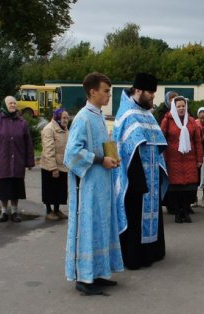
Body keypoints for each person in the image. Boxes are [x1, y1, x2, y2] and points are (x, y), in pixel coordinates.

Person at [64, 73, 124, 296]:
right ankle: (83, 278)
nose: (109, 95)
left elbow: (101, 146)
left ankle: (97, 273)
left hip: (102, 183)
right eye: (106, 91)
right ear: (92, 92)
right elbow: (71, 154)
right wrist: (100, 160)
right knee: (88, 228)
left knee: (101, 227)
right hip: (88, 186)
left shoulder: (98, 116)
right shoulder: (82, 118)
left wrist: (111, 156)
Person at [114, 73, 169, 270]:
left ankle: (153, 250)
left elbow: (157, 144)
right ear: (138, 91)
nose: (153, 97)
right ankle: (135, 256)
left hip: (151, 174)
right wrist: (138, 180)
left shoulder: (146, 113)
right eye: (151, 94)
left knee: (152, 212)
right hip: (135, 177)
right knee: (136, 213)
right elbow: (127, 148)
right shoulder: (127, 114)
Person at [0, 95, 34, 223]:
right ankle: (3, 212)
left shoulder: (22, 122)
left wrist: (29, 161)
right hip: (1, 161)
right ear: (4, 105)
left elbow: (28, 143)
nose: (13, 105)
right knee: (3, 188)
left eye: (14, 103)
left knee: (15, 188)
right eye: (10, 103)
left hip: (17, 161)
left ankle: (14, 211)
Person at [160, 96, 204, 223]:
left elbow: (197, 141)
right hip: (173, 159)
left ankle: (186, 211)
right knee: (176, 189)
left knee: (188, 189)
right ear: (174, 107)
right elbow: (161, 139)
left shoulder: (191, 121)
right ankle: (178, 213)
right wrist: (163, 158)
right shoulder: (167, 120)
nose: (181, 108)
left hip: (190, 159)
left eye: (183, 106)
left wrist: (199, 158)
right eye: (178, 106)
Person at [40, 107, 70, 221]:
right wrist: (53, 168)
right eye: (63, 117)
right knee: (49, 189)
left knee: (59, 189)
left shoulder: (65, 129)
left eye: (67, 117)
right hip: (50, 166)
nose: (65, 120)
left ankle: (57, 210)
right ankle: (48, 211)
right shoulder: (49, 129)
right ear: (57, 117)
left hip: (62, 164)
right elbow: (48, 150)